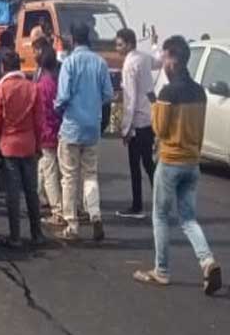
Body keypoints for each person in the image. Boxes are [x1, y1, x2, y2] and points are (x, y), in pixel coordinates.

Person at [133, 36, 221, 294]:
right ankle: (207, 261)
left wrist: (154, 105)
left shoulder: (168, 93)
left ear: (173, 59)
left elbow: (160, 129)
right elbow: (200, 130)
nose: (163, 63)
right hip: (192, 162)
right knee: (188, 219)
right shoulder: (199, 92)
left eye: (164, 58)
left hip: (170, 160)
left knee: (160, 215)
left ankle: (161, 270)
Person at [54, 23, 114, 241]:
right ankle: (95, 214)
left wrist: (56, 107)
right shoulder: (100, 63)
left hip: (72, 127)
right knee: (90, 174)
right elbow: (108, 94)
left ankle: (72, 225)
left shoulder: (69, 63)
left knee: (69, 177)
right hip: (92, 127)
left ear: (72, 39)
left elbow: (62, 97)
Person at [0, 51, 45, 247]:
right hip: (29, 145)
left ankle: (15, 237)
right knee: (31, 191)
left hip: (8, 147)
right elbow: (39, 122)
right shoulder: (33, 88)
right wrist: (38, 144)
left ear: (3, 68)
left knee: (13, 194)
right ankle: (37, 234)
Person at [115, 27, 158, 219]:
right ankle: (161, 202)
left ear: (129, 44)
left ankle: (137, 206)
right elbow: (159, 61)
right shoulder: (144, 58)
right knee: (148, 163)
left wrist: (125, 128)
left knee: (136, 165)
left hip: (137, 121)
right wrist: (155, 44)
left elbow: (130, 100)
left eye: (120, 45)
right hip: (149, 117)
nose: (117, 48)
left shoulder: (129, 64)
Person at [33, 40, 64, 227]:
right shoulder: (54, 81)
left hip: (45, 132)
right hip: (55, 129)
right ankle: (42, 197)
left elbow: (41, 111)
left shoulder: (42, 84)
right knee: (48, 168)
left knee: (50, 171)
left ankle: (57, 211)